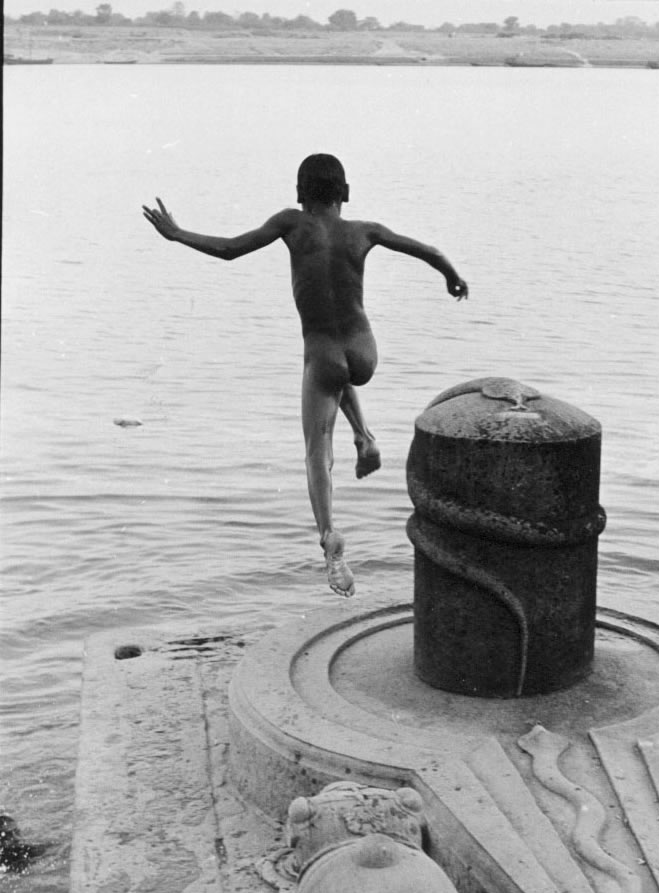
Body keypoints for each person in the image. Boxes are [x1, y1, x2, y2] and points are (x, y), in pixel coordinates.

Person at [142, 153, 468, 597]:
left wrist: (178, 234)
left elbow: (230, 249)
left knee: (318, 450)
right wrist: (452, 276)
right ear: (346, 194)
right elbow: (428, 252)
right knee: (339, 374)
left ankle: (331, 539)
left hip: (323, 355)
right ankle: (366, 437)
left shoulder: (291, 224)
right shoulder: (365, 231)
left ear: (299, 194)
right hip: (364, 351)